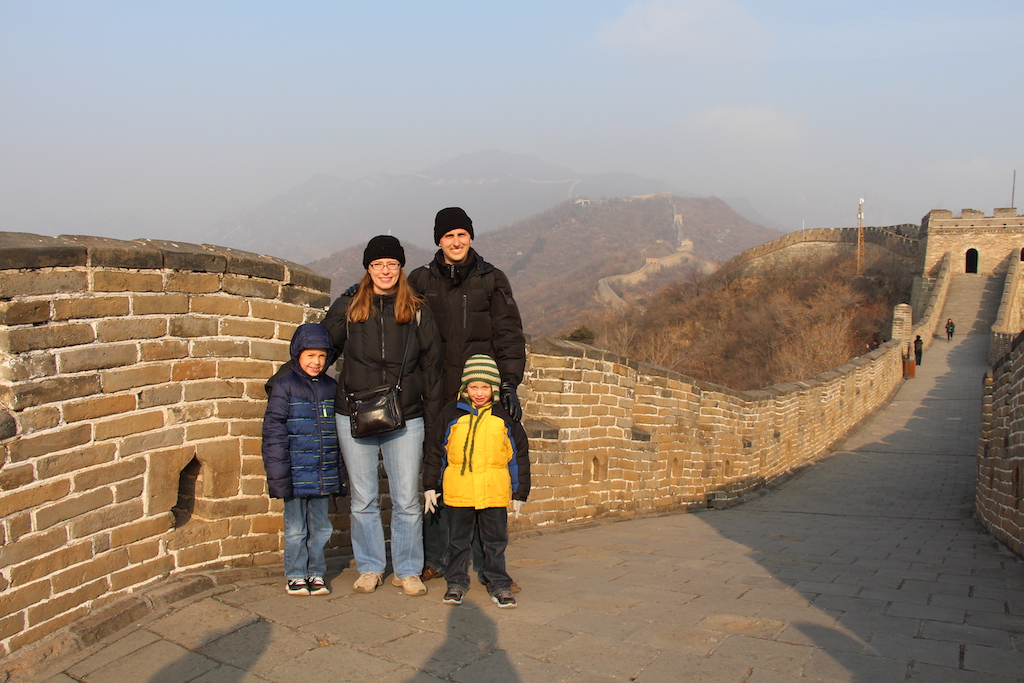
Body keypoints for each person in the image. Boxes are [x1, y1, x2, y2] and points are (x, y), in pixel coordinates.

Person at [408, 207, 527, 587]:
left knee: (482, 472)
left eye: (461, 234)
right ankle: (437, 560)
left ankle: (488, 565)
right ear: (438, 241)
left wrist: (507, 383)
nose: (456, 242)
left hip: (479, 394)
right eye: (448, 236)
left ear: (471, 237)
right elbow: (399, 324)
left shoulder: (492, 280)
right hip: (435, 391)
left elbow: (508, 334)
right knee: (440, 469)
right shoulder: (421, 280)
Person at [321, 235, 442, 596]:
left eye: (391, 264)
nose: (385, 270)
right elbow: (320, 348)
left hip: (406, 415)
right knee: (364, 498)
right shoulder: (349, 307)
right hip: (354, 410)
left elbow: (433, 368)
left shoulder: (418, 310)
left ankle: (407, 569)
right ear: (368, 268)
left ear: (400, 267)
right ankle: (371, 566)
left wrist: (433, 416)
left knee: (406, 498)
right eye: (377, 264)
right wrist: (285, 380)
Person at [423, 355, 530, 609]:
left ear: (494, 387)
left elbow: (518, 457)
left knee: (495, 541)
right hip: (459, 490)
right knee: (457, 541)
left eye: (485, 387)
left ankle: (499, 583)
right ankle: (456, 582)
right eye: (473, 387)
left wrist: (520, 493)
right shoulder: (451, 414)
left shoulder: (504, 417)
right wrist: (430, 486)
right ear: (465, 387)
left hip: (493, 491)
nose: (479, 393)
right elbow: (436, 452)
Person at [261, 323, 345, 596]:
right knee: (296, 528)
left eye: (322, 356)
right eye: (310, 355)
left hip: (323, 471)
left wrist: (339, 472)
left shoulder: (331, 388)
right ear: (297, 354)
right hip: (295, 473)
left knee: (321, 527)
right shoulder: (284, 386)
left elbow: (340, 434)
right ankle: (296, 574)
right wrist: (278, 474)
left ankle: (316, 573)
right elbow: (274, 431)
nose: (316, 362)